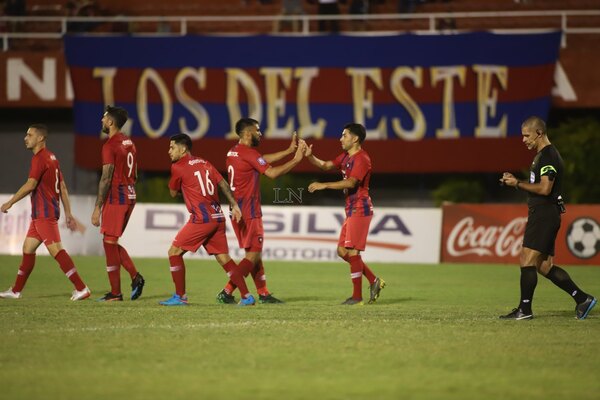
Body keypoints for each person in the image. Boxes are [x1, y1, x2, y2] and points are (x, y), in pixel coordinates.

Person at [499, 116, 596, 320]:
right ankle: (582, 299)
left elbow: (545, 188)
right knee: (543, 266)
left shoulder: (548, 156)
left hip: (544, 215)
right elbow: (539, 185)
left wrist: (517, 183)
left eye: (526, 135)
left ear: (539, 133)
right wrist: (516, 181)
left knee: (526, 259)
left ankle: (524, 310)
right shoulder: (542, 156)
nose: (523, 140)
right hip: (544, 214)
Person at [216, 118, 306, 304]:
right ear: (248, 133)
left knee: (254, 254)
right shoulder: (248, 153)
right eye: (257, 130)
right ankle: (227, 291)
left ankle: (263, 293)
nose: (260, 133)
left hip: (236, 209)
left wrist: (288, 151)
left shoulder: (234, 151)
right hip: (249, 210)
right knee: (254, 253)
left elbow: (260, 160)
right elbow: (271, 173)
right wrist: (296, 159)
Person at [161, 134, 255, 306]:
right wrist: (234, 204)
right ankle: (247, 296)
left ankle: (180, 296)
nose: (169, 151)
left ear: (183, 149)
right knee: (224, 259)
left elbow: (173, 192)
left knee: (173, 252)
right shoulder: (205, 163)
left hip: (202, 219)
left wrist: (185, 187)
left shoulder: (178, 166)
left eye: (172, 147)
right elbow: (223, 184)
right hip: (218, 217)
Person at [0, 124, 91, 301]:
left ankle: (81, 288)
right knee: (28, 248)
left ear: (40, 138)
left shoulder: (40, 159)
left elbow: (31, 185)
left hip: (45, 213)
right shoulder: (52, 158)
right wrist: (68, 213)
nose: (25, 138)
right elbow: (63, 187)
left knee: (56, 250)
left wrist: (10, 202)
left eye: (30, 135)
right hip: (41, 214)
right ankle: (16, 290)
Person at [306, 123, 385, 305]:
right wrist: (310, 157)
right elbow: (325, 165)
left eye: (344, 135)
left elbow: (351, 183)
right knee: (343, 251)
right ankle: (374, 280)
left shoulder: (362, 158)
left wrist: (323, 185)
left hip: (360, 208)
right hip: (351, 208)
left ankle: (357, 297)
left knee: (352, 251)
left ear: (355, 138)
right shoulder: (346, 156)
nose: (341, 138)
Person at [92, 105, 145, 302]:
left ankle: (116, 292)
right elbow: (136, 173)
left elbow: (106, 178)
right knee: (111, 242)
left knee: (109, 243)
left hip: (117, 197)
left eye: (104, 118)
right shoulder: (130, 143)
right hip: (130, 194)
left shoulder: (110, 145)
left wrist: (98, 207)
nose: (102, 121)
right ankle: (134, 278)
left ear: (111, 122)